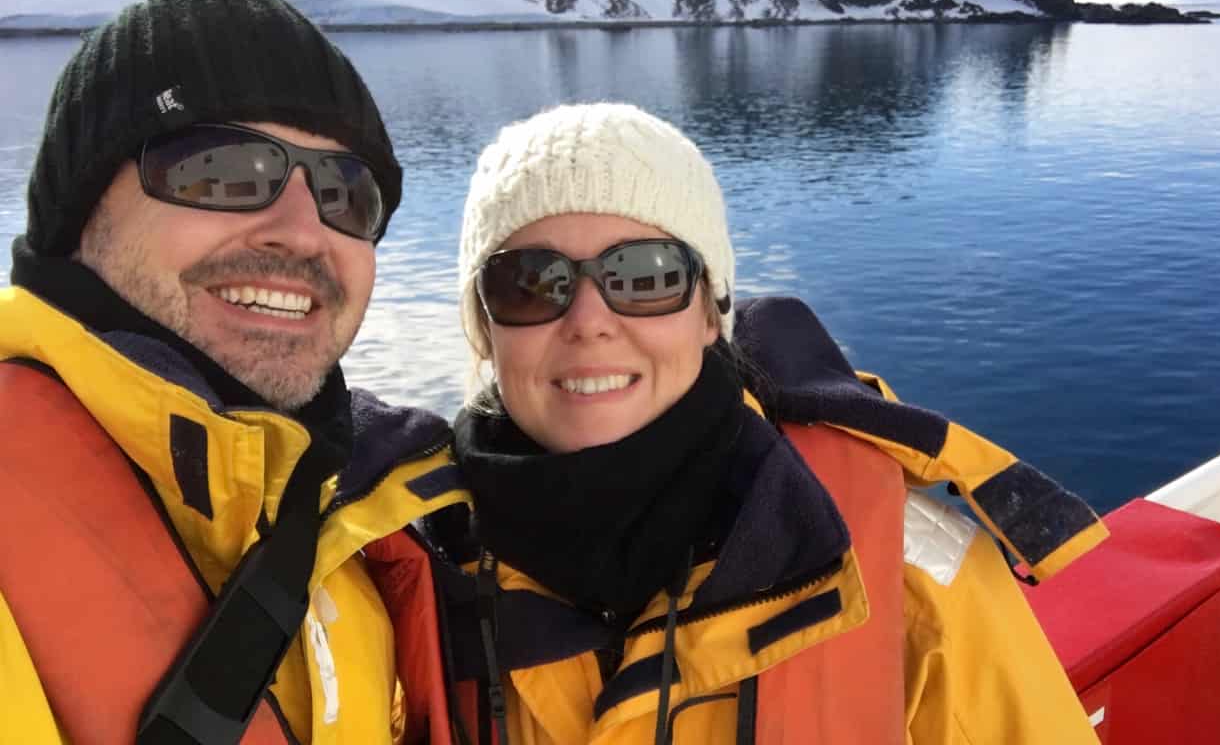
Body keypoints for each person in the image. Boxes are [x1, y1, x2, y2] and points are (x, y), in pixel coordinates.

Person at [377, 102, 1109, 744]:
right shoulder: (412, 571)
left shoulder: (899, 570)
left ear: (709, 312)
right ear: (483, 328)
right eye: (531, 284)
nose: (589, 321)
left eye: (645, 275)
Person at [0, 0, 462, 745]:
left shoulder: (359, 518)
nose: (303, 231)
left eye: (345, 191)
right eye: (222, 169)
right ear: (80, 215)